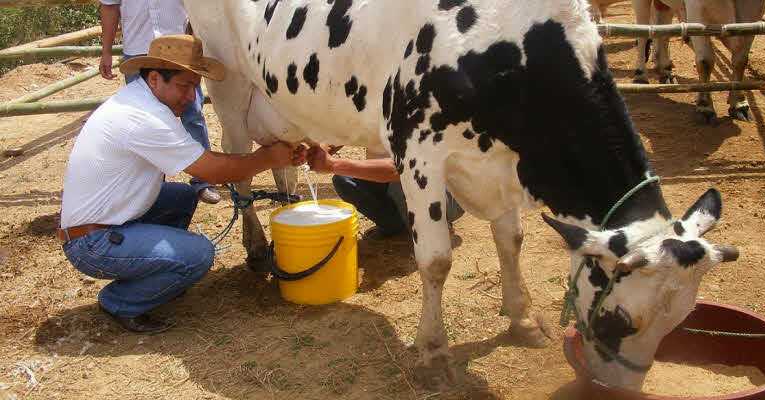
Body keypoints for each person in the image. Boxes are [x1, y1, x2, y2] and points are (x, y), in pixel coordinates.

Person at [59, 35, 306, 334]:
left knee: (182, 197)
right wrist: (268, 156)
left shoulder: (140, 100)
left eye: (195, 86)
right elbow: (212, 170)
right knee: (200, 255)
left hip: (104, 221)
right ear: (154, 78)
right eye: (184, 86)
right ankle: (120, 301)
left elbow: (202, 159)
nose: (191, 97)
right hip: (91, 244)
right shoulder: (143, 118)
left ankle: (160, 270)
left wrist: (263, 156)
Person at [98, 0, 221, 204]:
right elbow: (109, 7)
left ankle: (204, 179)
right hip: (139, 48)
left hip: (178, 49)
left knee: (192, 112)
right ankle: (152, 186)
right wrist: (106, 51)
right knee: (144, 120)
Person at [307, 146, 464, 239]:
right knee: (344, 180)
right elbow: (338, 136)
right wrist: (312, 151)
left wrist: (333, 164)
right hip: (391, 178)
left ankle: (434, 225)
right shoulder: (370, 105)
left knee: (402, 181)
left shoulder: (412, 107)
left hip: (445, 194)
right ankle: (393, 225)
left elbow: (398, 169)